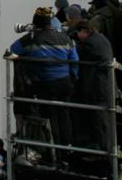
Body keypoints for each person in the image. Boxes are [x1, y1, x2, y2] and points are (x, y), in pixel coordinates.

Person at [9, 8, 78, 151]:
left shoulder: (32, 38)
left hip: (45, 83)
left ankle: (55, 149)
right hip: (65, 83)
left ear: (36, 23)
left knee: (50, 115)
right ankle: (68, 146)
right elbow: (74, 59)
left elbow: (13, 49)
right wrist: (73, 77)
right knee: (64, 114)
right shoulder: (64, 37)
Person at [73, 20, 114, 152]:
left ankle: (102, 147)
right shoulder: (101, 38)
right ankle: (106, 146)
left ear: (84, 31)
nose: (78, 35)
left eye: (78, 32)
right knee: (104, 117)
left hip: (97, 86)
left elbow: (77, 54)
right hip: (106, 83)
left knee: (98, 118)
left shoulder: (90, 44)